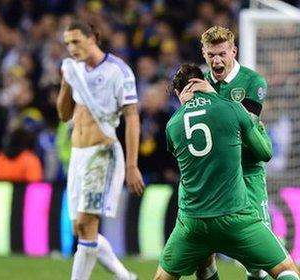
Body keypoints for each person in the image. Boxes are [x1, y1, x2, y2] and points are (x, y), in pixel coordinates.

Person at [155, 64, 299, 280]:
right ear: (203, 82)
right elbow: (264, 152)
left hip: (193, 221)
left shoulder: (172, 124)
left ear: (179, 93)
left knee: (178, 272)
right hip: (235, 216)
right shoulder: (231, 108)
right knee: (286, 270)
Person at [179, 26, 272, 280]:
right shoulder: (198, 83)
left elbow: (243, 127)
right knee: (203, 258)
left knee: (259, 262)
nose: (216, 61)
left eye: (222, 53)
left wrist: (212, 99)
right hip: (212, 178)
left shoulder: (254, 82)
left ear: (234, 51)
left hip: (247, 174)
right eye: (210, 55)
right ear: (203, 53)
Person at [57, 21, 143, 280]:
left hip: (103, 154)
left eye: (76, 42)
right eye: (68, 43)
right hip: (78, 156)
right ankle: (125, 277)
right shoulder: (74, 70)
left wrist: (131, 165)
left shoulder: (119, 71)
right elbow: (63, 115)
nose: (72, 48)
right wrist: (65, 81)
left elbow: (132, 117)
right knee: (80, 230)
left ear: (92, 38)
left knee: (86, 224)